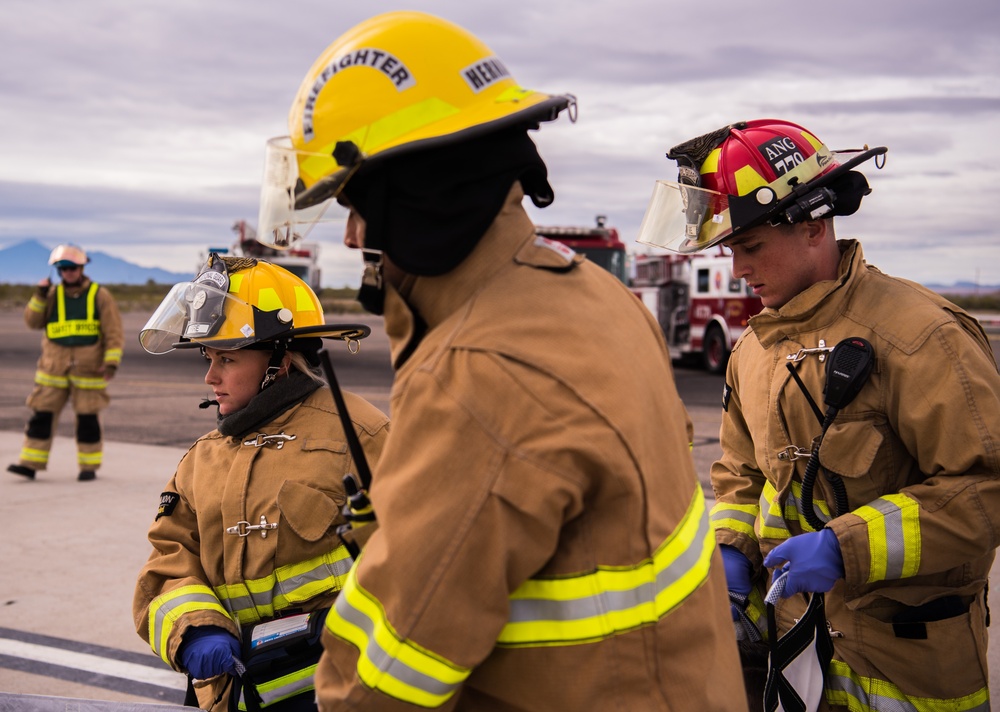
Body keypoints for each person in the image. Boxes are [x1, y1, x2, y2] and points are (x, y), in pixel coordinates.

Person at [254, 11, 748, 711]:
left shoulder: (479, 374)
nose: (356, 234)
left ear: (415, 196)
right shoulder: (595, 296)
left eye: (357, 204)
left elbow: (385, 682)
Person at [637, 118, 1000, 710]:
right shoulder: (751, 350)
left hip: (907, 668)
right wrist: (731, 548)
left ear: (813, 224)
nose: (738, 271)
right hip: (793, 660)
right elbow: (739, 473)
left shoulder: (923, 337)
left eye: (750, 247)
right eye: (731, 251)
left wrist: (844, 548)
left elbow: (988, 487)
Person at [132, 255, 390, 711]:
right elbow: (168, 563)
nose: (210, 377)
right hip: (231, 692)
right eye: (209, 358)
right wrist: (196, 627)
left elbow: (424, 560)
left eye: (227, 359)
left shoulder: (361, 436)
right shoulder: (200, 460)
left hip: (339, 691)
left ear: (281, 360)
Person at [7, 244, 123, 481]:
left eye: (72, 267)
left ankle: (88, 468)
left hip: (88, 371)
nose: (68, 272)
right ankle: (29, 464)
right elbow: (32, 322)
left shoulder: (99, 295)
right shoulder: (50, 295)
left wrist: (111, 363)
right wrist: (39, 295)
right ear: (58, 271)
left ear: (81, 268)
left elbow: (114, 332)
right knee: (41, 417)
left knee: (88, 420)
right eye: (63, 268)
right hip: (53, 371)